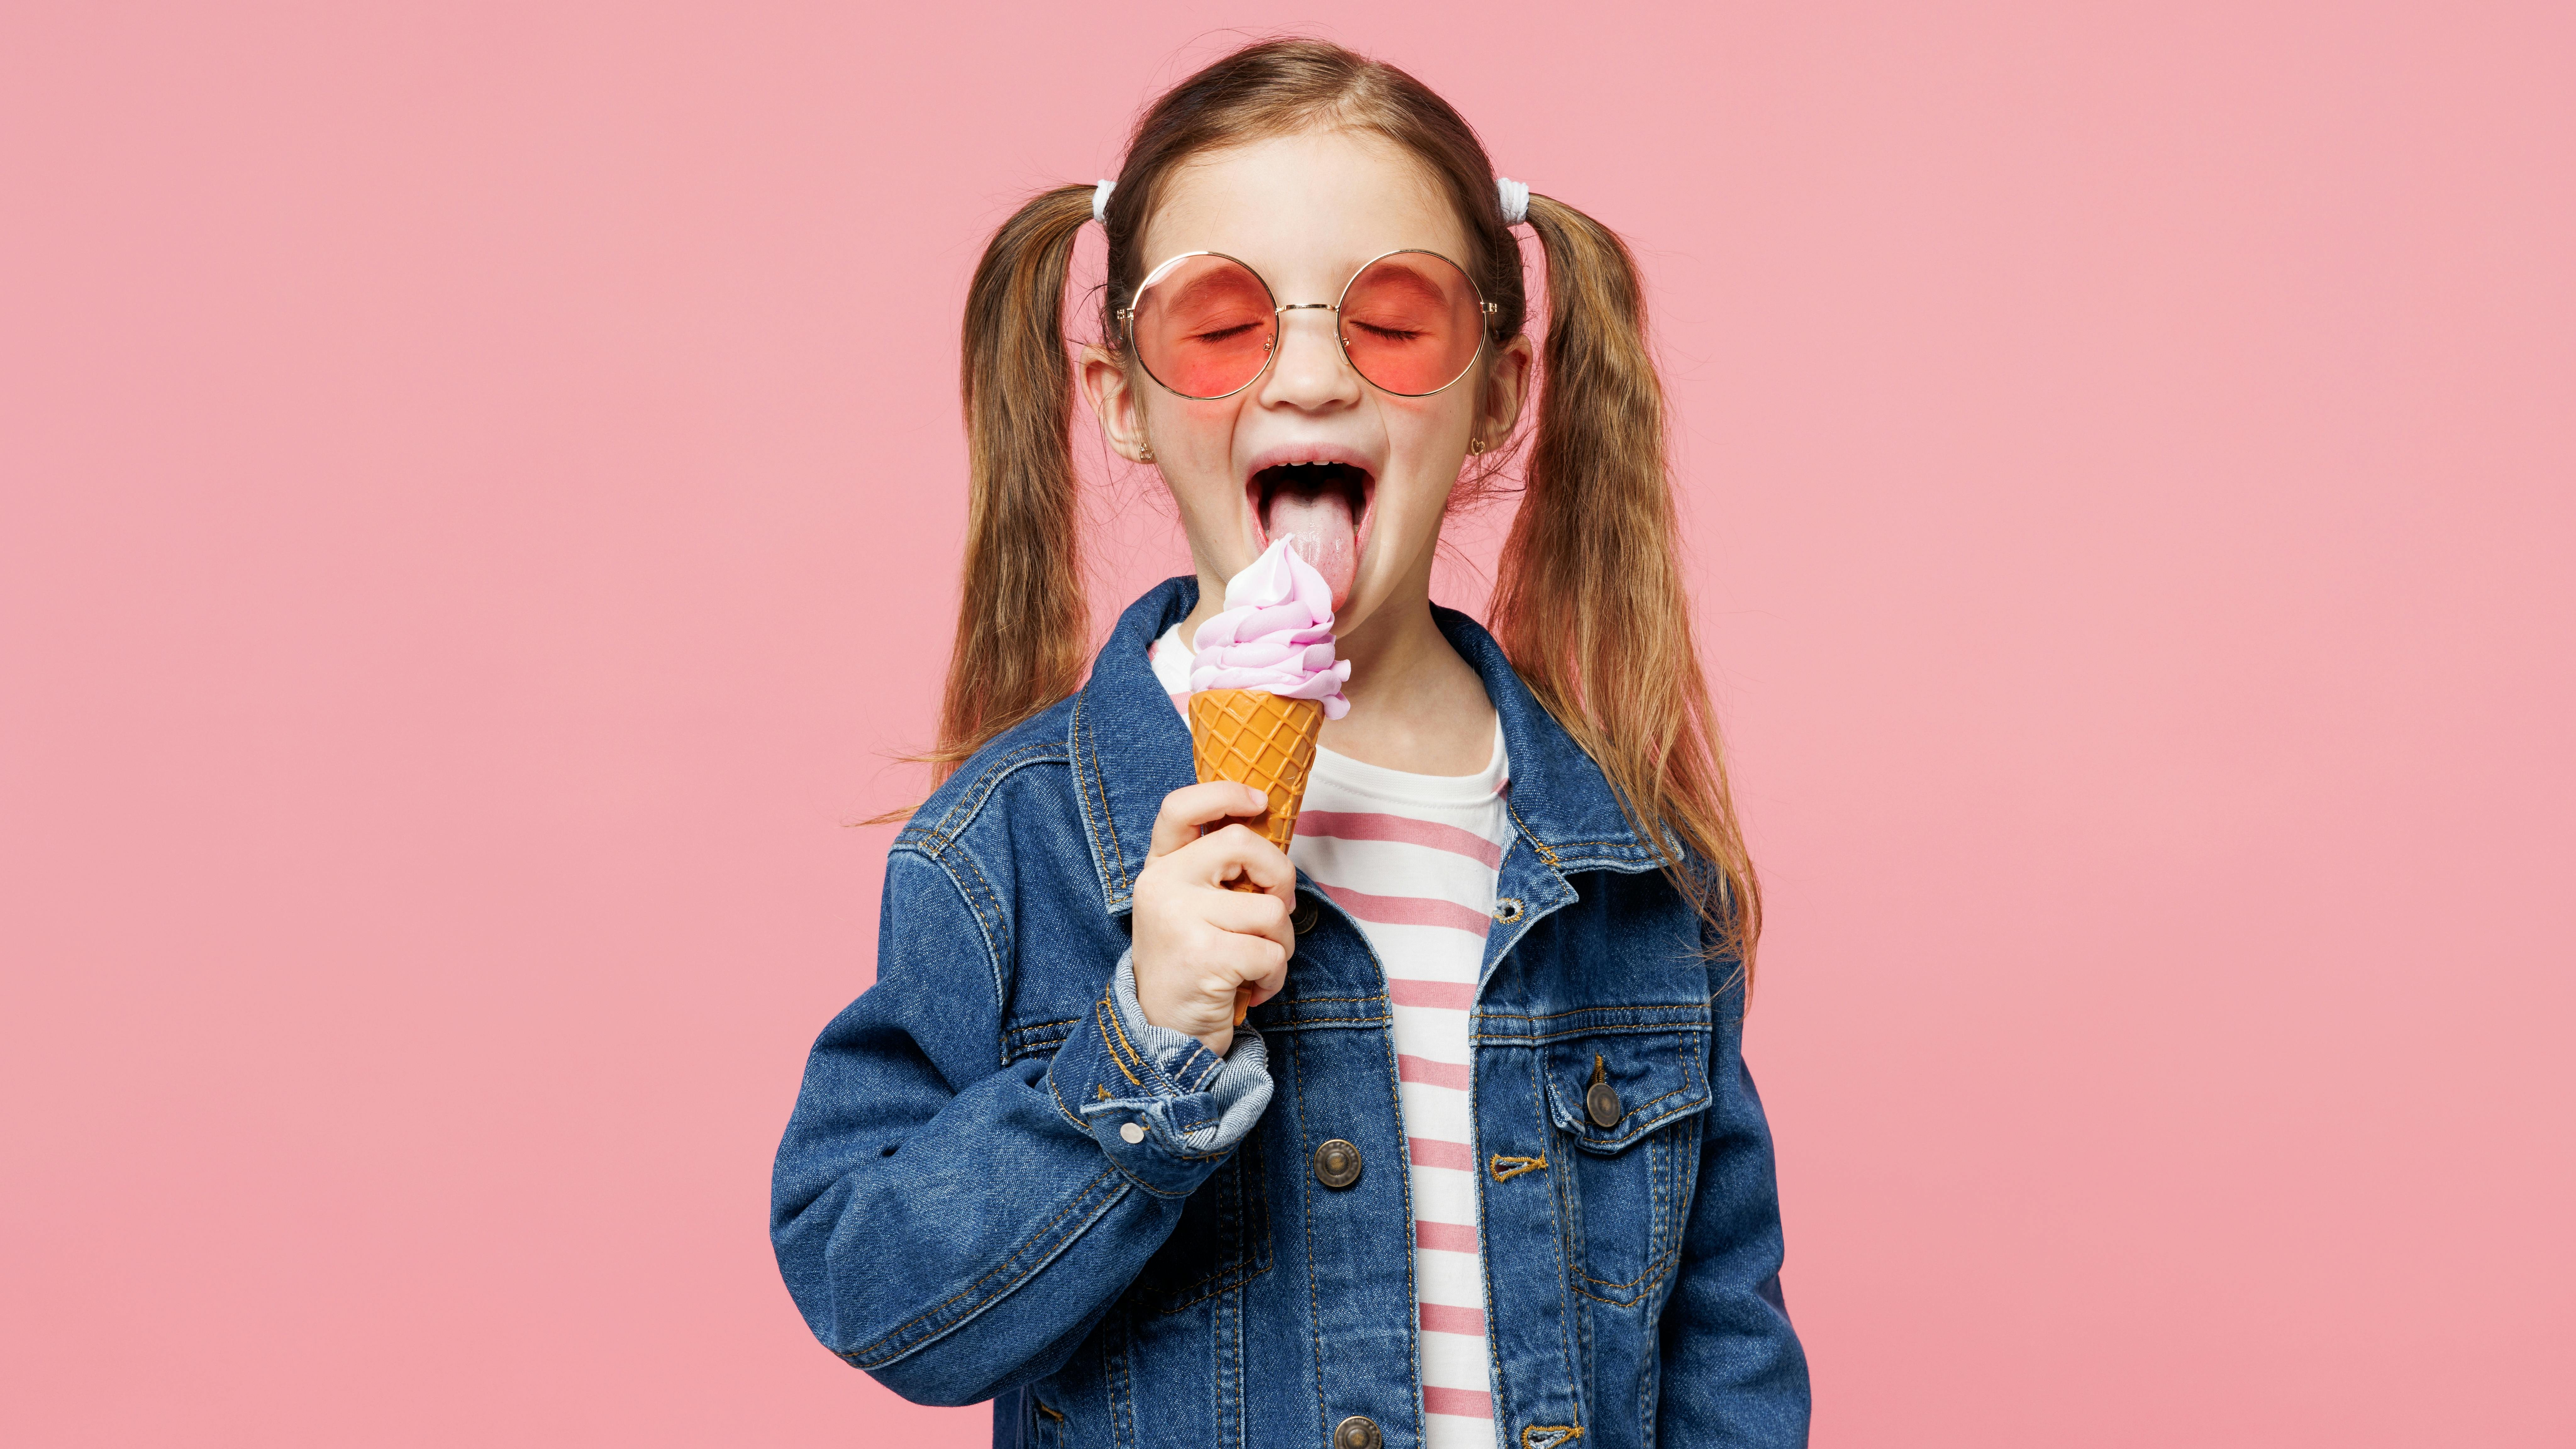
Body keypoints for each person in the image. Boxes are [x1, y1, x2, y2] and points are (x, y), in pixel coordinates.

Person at [772, 38, 1809, 1449]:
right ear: (1124, 399)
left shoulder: (1633, 863)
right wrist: (1144, 1042)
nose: (1311, 381)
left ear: (1497, 390)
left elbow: (1721, 1336)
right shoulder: (1008, 848)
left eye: (1392, 323)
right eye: (1222, 327)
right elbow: (877, 1294)